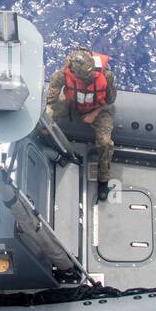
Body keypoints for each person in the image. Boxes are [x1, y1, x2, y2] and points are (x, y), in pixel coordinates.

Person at [46, 47, 116, 201]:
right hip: (73, 105)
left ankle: (103, 180)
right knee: (46, 118)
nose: (88, 78)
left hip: (97, 109)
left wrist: (94, 113)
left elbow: (110, 101)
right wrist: (49, 116)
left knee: (105, 143)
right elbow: (51, 101)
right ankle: (48, 145)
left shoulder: (106, 76)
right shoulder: (62, 74)